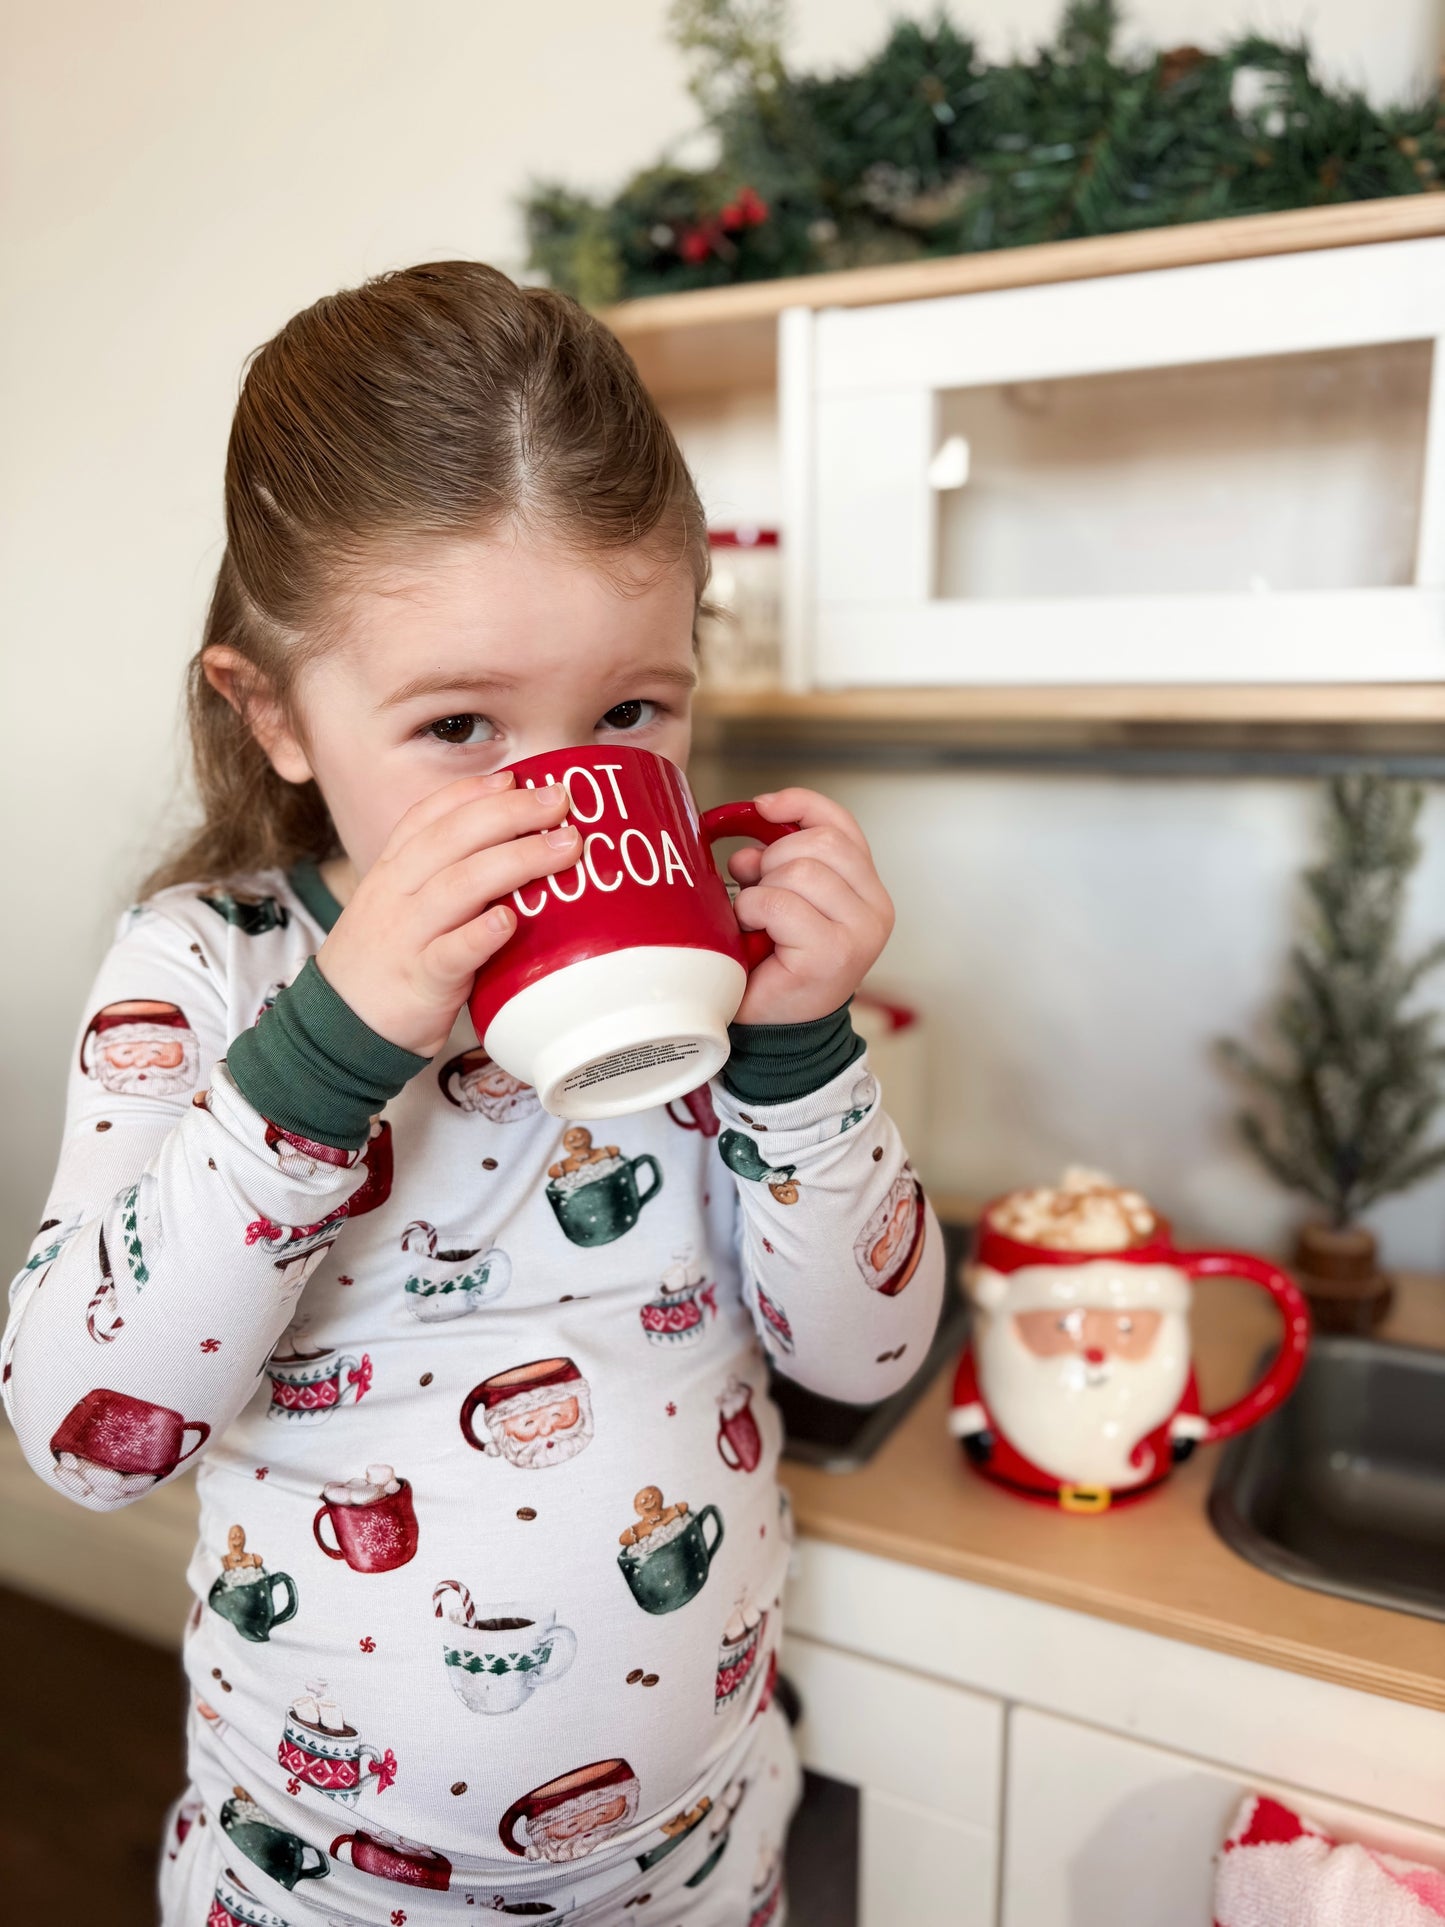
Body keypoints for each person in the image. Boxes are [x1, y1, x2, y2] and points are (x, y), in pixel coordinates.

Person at [2, 261, 944, 1925]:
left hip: (699, 1865)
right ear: (276, 710)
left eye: (627, 712)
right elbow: (89, 1440)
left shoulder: (702, 972)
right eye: (456, 724)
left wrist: (798, 1048)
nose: (553, 799)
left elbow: (863, 1354)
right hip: (322, 1889)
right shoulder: (209, 975)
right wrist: (332, 1047)